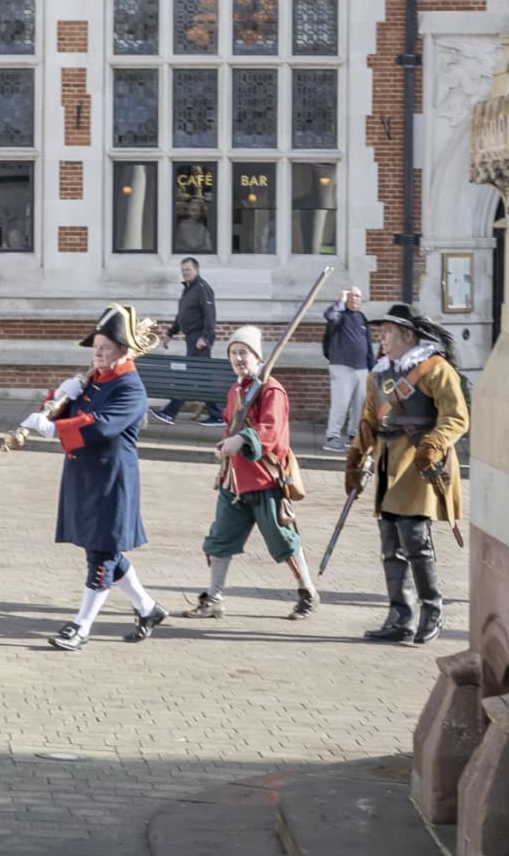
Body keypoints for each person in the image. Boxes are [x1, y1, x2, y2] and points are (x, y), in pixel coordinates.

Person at [23, 305, 169, 650]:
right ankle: (148, 609)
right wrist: (60, 396)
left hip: (111, 481)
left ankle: (81, 626)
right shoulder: (94, 380)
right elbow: (71, 410)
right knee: (104, 550)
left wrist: (53, 428)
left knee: (101, 555)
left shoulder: (131, 389)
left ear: (124, 351)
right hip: (85, 477)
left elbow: (100, 425)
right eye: (96, 346)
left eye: (105, 347)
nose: (97, 352)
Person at [347, 303, 470, 645]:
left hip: (419, 462)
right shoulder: (380, 372)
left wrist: (434, 443)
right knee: (391, 545)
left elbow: (456, 417)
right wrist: (356, 455)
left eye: (387, 331)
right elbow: (369, 419)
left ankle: (432, 610)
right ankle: (400, 615)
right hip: (388, 464)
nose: (381, 337)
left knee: (416, 542)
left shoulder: (435, 369)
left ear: (407, 334)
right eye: (381, 331)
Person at [179, 327, 319, 622]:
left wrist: (242, 440)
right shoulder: (236, 390)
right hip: (235, 481)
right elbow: (231, 426)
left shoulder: (272, 391)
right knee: (219, 540)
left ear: (257, 356)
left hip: (265, 480)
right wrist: (225, 445)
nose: (239, 358)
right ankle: (214, 599)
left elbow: (270, 430)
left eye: (244, 353)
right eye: (234, 353)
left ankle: (307, 592)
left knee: (283, 541)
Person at [152, 258, 220, 425]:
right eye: (183, 270)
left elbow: (210, 314)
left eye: (188, 270)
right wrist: (170, 333)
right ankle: (217, 415)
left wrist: (205, 337)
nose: (185, 273)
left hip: (199, 341)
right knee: (203, 379)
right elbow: (181, 315)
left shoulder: (202, 288)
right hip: (192, 339)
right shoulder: (189, 289)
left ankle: (169, 412)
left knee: (187, 377)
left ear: (196, 270)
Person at [320, 286, 373, 454]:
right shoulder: (339, 316)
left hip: (362, 368)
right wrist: (340, 301)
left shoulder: (362, 318)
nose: (354, 299)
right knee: (340, 404)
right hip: (342, 366)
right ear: (345, 298)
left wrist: (371, 368)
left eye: (358, 296)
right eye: (351, 296)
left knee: (359, 406)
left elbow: (368, 345)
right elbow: (329, 315)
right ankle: (332, 438)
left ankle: (354, 436)